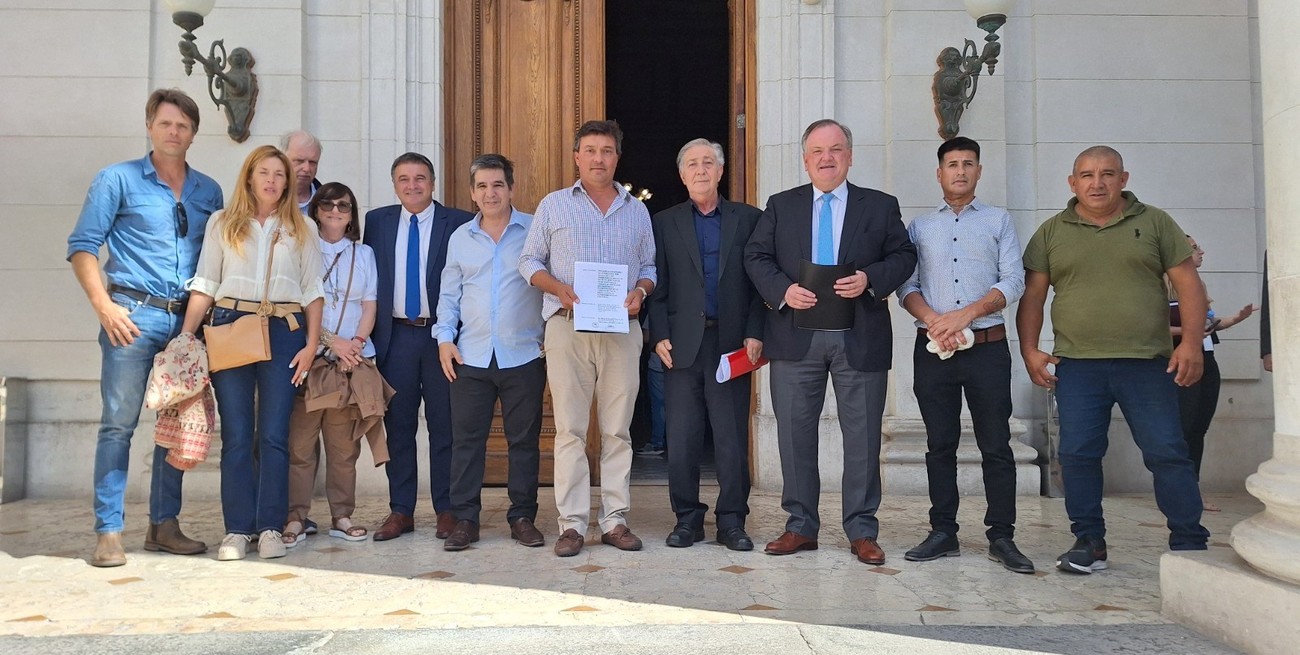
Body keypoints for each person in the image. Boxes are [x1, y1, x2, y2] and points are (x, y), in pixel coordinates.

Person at [1017, 145, 1210, 575]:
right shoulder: (1051, 232)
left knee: (1167, 451)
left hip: (1147, 364)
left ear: (1123, 179)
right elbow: (1033, 297)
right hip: (1078, 365)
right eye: (1087, 175)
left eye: (1107, 174)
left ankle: (1189, 541)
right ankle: (1090, 541)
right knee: (1078, 454)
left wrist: (1191, 344)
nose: (1097, 183)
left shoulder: (1155, 222)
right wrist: (1029, 349)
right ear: (1073, 183)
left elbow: (1189, 285)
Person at [743, 118, 917, 565]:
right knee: (794, 436)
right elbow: (756, 256)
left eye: (836, 149)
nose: (827, 158)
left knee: (862, 438)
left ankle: (862, 530)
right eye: (817, 151)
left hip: (859, 336)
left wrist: (869, 278)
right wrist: (783, 290)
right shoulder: (781, 205)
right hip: (794, 338)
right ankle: (800, 526)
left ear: (850, 157)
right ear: (805, 160)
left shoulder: (879, 206)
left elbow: (904, 255)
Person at [68, 88, 222, 567]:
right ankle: (109, 532)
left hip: (187, 324)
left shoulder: (209, 191)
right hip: (131, 319)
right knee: (119, 425)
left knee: (176, 427)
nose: (174, 132)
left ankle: (163, 525)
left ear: (193, 134)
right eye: (166, 123)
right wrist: (104, 306)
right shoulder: (116, 179)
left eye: (183, 125)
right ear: (150, 126)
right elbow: (83, 246)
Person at [519, 119, 656, 557]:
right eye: (591, 150)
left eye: (607, 151)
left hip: (620, 331)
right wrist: (557, 287)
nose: (599, 158)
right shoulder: (554, 205)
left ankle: (615, 521)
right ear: (577, 157)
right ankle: (573, 525)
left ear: (617, 157)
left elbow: (649, 267)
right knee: (570, 431)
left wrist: (641, 292)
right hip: (566, 326)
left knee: (617, 431)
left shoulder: (636, 211)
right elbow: (528, 261)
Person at [181, 145, 325, 561]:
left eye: (279, 174)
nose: (272, 181)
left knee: (275, 435)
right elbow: (206, 283)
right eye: (264, 172)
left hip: (284, 331)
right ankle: (237, 530)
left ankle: (270, 528)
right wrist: (187, 336)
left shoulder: (303, 227)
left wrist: (312, 344)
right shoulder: (223, 222)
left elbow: (313, 290)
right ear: (249, 176)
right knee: (238, 435)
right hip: (230, 327)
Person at [895, 137, 1032, 573]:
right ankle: (943, 532)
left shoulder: (998, 220)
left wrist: (965, 315)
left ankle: (1002, 536)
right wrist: (936, 321)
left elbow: (1013, 281)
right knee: (939, 444)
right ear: (939, 173)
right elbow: (906, 286)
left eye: (968, 164)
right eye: (952, 164)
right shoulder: (919, 227)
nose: (960, 171)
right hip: (933, 349)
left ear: (979, 171)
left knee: (996, 444)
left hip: (987, 349)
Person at [649, 138, 763, 551]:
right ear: (682, 175)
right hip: (680, 347)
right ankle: (687, 519)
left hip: (731, 344)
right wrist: (658, 334)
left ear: (720, 171)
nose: (701, 170)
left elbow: (759, 282)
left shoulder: (749, 219)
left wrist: (756, 331)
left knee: (730, 438)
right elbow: (656, 282)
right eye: (693, 164)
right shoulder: (664, 222)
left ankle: (732, 521)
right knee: (681, 439)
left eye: (708, 162)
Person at [435, 154, 547, 551]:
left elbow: (553, 281)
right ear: (472, 193)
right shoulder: (460, 238)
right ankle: (466, 519)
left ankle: (522, 517)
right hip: (471, 356)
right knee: (467, 442)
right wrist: (444, 339)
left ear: (511, 189)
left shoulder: (534, 230)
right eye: (482, 186)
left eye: (498, 184)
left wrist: (551, 333)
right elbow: (450, 295)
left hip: (524, 354)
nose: (490, 193)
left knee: (524, 442)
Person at [363, 152, 473, 542]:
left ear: (433, 182)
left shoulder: (458, 222)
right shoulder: (376, 221)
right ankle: (401, 510)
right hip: (395, 338)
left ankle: (447, 508)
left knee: (445, 425)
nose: (413, 185)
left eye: (420, 178)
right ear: (395, 184)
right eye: (404, 179)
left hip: (441, 338)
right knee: (399, 426)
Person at [282, 182, 380, 545]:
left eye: (344, 205)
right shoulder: (301, 249)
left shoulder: (364, 254)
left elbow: (369, 305)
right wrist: (329, 341)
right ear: (316, 210)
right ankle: (295, 517)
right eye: (327, 204)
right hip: (310, 358)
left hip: (348, 362)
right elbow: (295, 303)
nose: (335, 211)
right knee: (300, 446)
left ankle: (342, 515)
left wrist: (355, 344)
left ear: (352, 214)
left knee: (343, 448)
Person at [1169, 234, 1256, 512]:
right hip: (1181, 361)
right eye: (1195, 248)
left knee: (1199, 428)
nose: (1202, 252)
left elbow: (1209, 324)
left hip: (1207, 360)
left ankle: (1192, 488)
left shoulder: (1199, 285)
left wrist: (1237, 318)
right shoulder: (1160, 286)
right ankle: (1179, 491)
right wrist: (1188, 330)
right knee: (1184, 428)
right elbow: (1152, 328)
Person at [282, 131, 322, 214]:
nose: (306, 169)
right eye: (299, 161)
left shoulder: (328, 204)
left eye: (312, 162)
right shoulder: (264, 200)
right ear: (283, 160)